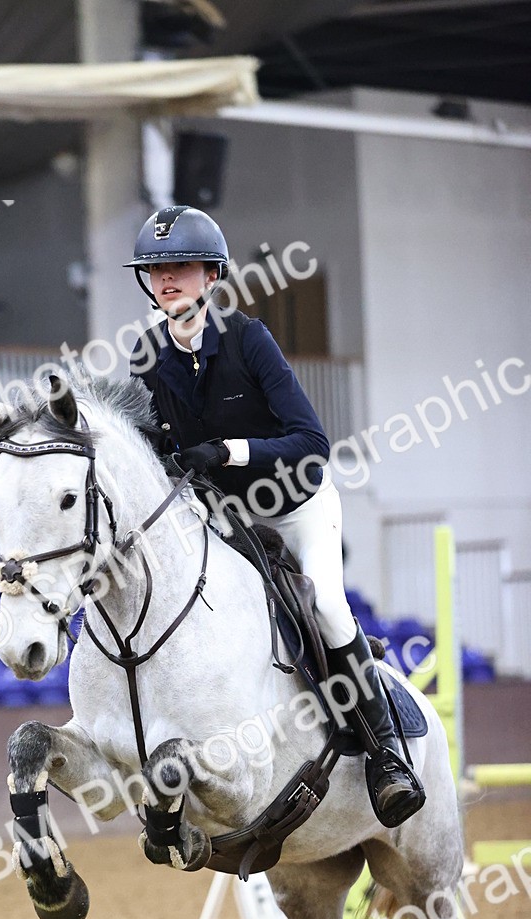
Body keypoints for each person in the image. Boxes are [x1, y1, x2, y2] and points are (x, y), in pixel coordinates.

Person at [125, 204, 424, 826]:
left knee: (327, 606)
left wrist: (227, 451)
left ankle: (386, 756)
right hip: (228, 520)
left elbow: (312, 441)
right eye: (155, 270)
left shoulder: (248, 339)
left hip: (297, 506)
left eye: (180, 266)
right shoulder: (147, 354)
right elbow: (153, 443)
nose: (166, 279)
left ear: (211, 275)